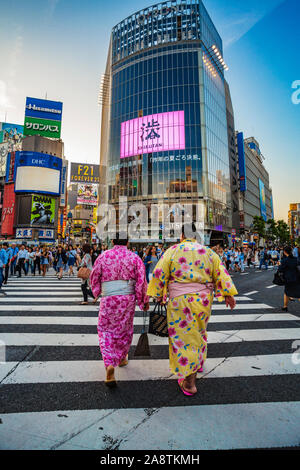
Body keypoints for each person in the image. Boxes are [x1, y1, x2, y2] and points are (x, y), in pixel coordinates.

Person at [147, 223, 237, 397]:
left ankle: (189, 381)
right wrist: (228, 294)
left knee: (183, 337)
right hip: (203, 300)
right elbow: (221, 273)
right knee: (199, 332)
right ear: (196, 236)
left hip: (179, 301)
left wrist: (158, 293)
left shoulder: (173, 251)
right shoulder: (208, 252)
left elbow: (159, 273)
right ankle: (197, 362)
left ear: (182, 236)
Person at [90, 235, 149, 386]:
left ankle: (109, 364)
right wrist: (143, 300)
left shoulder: (104, 256)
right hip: (127, 299)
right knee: (124, 328)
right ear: (127, 242)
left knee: (105, 330)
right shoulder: (134, 258)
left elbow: (94, 276)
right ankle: (122, 357)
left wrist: (96, 292)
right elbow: (141, 280)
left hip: (109, 298)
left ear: (113, 242)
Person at [278, 246, 300, 312]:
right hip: (297, 278)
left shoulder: (284, 260)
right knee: (298, 293)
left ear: (284, 252)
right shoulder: (296, 259)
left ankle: (285, 307)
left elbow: (280, 270)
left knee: (287, 292)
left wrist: (279, 264)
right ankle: (285, 306)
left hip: (288, 279)